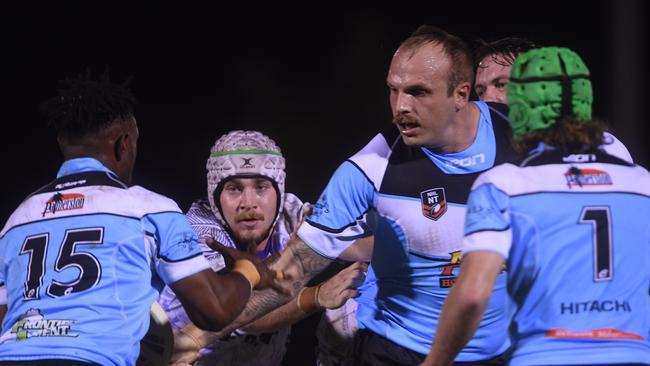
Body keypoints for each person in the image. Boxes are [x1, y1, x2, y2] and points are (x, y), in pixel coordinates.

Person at [201, 25, 518, 366]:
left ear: (461, 94)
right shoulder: (367, 170)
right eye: (393, 90)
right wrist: (196, 336)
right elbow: (289, 275)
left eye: (418, 92)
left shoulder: (523, 137)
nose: (400, 107)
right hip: (399, 350)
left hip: (502, 351)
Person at [0, 71, 281, 365]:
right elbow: (214, 310)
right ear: (124, 144)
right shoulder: (148, 209)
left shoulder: (17, 220)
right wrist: (248, 271)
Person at [421, 47, 650, 366]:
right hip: (632, 353)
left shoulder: (505, 184)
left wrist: (434, 362)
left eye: (503, 87)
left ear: (522, 108)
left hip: (544, 354)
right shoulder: (641, 182)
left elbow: (473, 294)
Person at [162, 130, 367, 365]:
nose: (248, 204)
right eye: (234, 189)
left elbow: (358, 245)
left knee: (355, 307)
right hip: (185, 359)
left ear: (278, 191)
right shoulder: (197, 234)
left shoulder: (290, 213)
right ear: (215, 196)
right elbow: (242, 315)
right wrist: (316, 295)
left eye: (261, 187)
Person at [473, 36, 633, 163]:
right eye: (480, 91)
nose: (487, 99)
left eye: (501, 84)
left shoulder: (604, 148)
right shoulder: (469, 153)